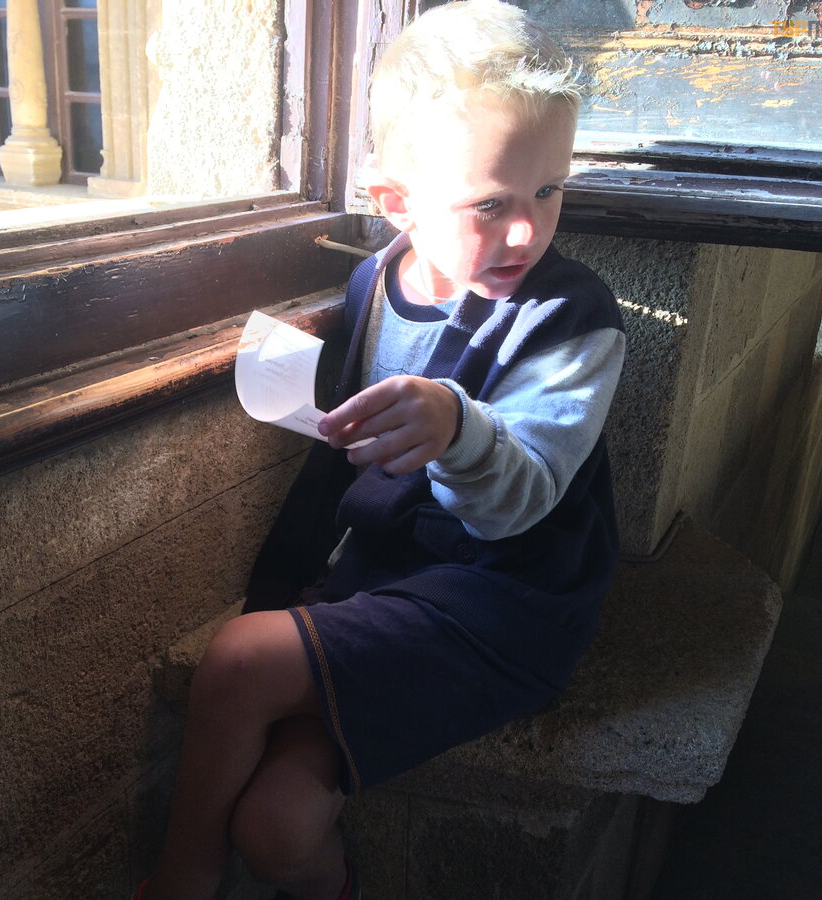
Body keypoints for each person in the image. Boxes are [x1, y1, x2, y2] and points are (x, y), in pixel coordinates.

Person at [139, 2, 625, 898]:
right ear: (397, 203)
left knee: (240, 659)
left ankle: (181, 880)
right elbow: (357, 456)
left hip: (504, 595)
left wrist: (458, 427)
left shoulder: (572, 317)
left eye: (549, 191)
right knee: (277, 827)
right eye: (491, 204)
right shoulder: (372, 280)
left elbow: (524, 497)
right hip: (389, 575)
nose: (527, 230)